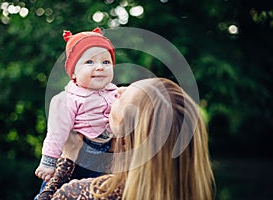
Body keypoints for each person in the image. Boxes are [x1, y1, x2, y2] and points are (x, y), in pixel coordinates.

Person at [49, 77, 216, 200]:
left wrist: (68, 158)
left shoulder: (86, 194)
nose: (118, 90)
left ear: (124, 140)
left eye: (121, 99)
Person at [34, 27, 117, 199]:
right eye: (90, 62)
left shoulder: (115, 91)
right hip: (80, 153)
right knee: (58, 187)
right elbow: (56, 134)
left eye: (106, 62)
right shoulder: (67, 99)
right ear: (73, 72)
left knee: (99, 191)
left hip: (108, 152)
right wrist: (49, 161)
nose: (100, 67)